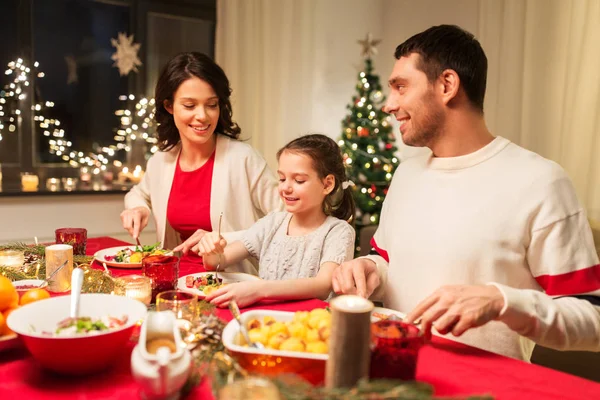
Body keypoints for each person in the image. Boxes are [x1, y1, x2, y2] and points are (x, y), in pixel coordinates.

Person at [332, 25, 600, 361]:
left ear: (447, 85)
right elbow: (392, 266)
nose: (389, 104)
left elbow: (593, 318)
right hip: (401, 381)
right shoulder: (405, 174)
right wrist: (371, 270)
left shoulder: (542, 182)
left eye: (401, 87)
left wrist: (502, 301)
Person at [121, 52, 281, 273]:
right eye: (189, 106)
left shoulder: (243, 158)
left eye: (211, 104)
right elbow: (138, 193)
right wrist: (137, 208)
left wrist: (222, 238)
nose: (203, 116)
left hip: (232, 284)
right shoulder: (161, 161)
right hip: (175, 283)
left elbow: (284, 219)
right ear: (169, 106)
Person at [195, 134, 356, 308]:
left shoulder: (338, 231)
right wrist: (212, 252)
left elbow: (323, 285)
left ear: (327, 185)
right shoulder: (272, 223)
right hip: (267, 321)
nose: (286, 187)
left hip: (309, 326)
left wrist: (259, 289)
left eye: (299, 180)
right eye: (282, 178)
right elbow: (220, 261)